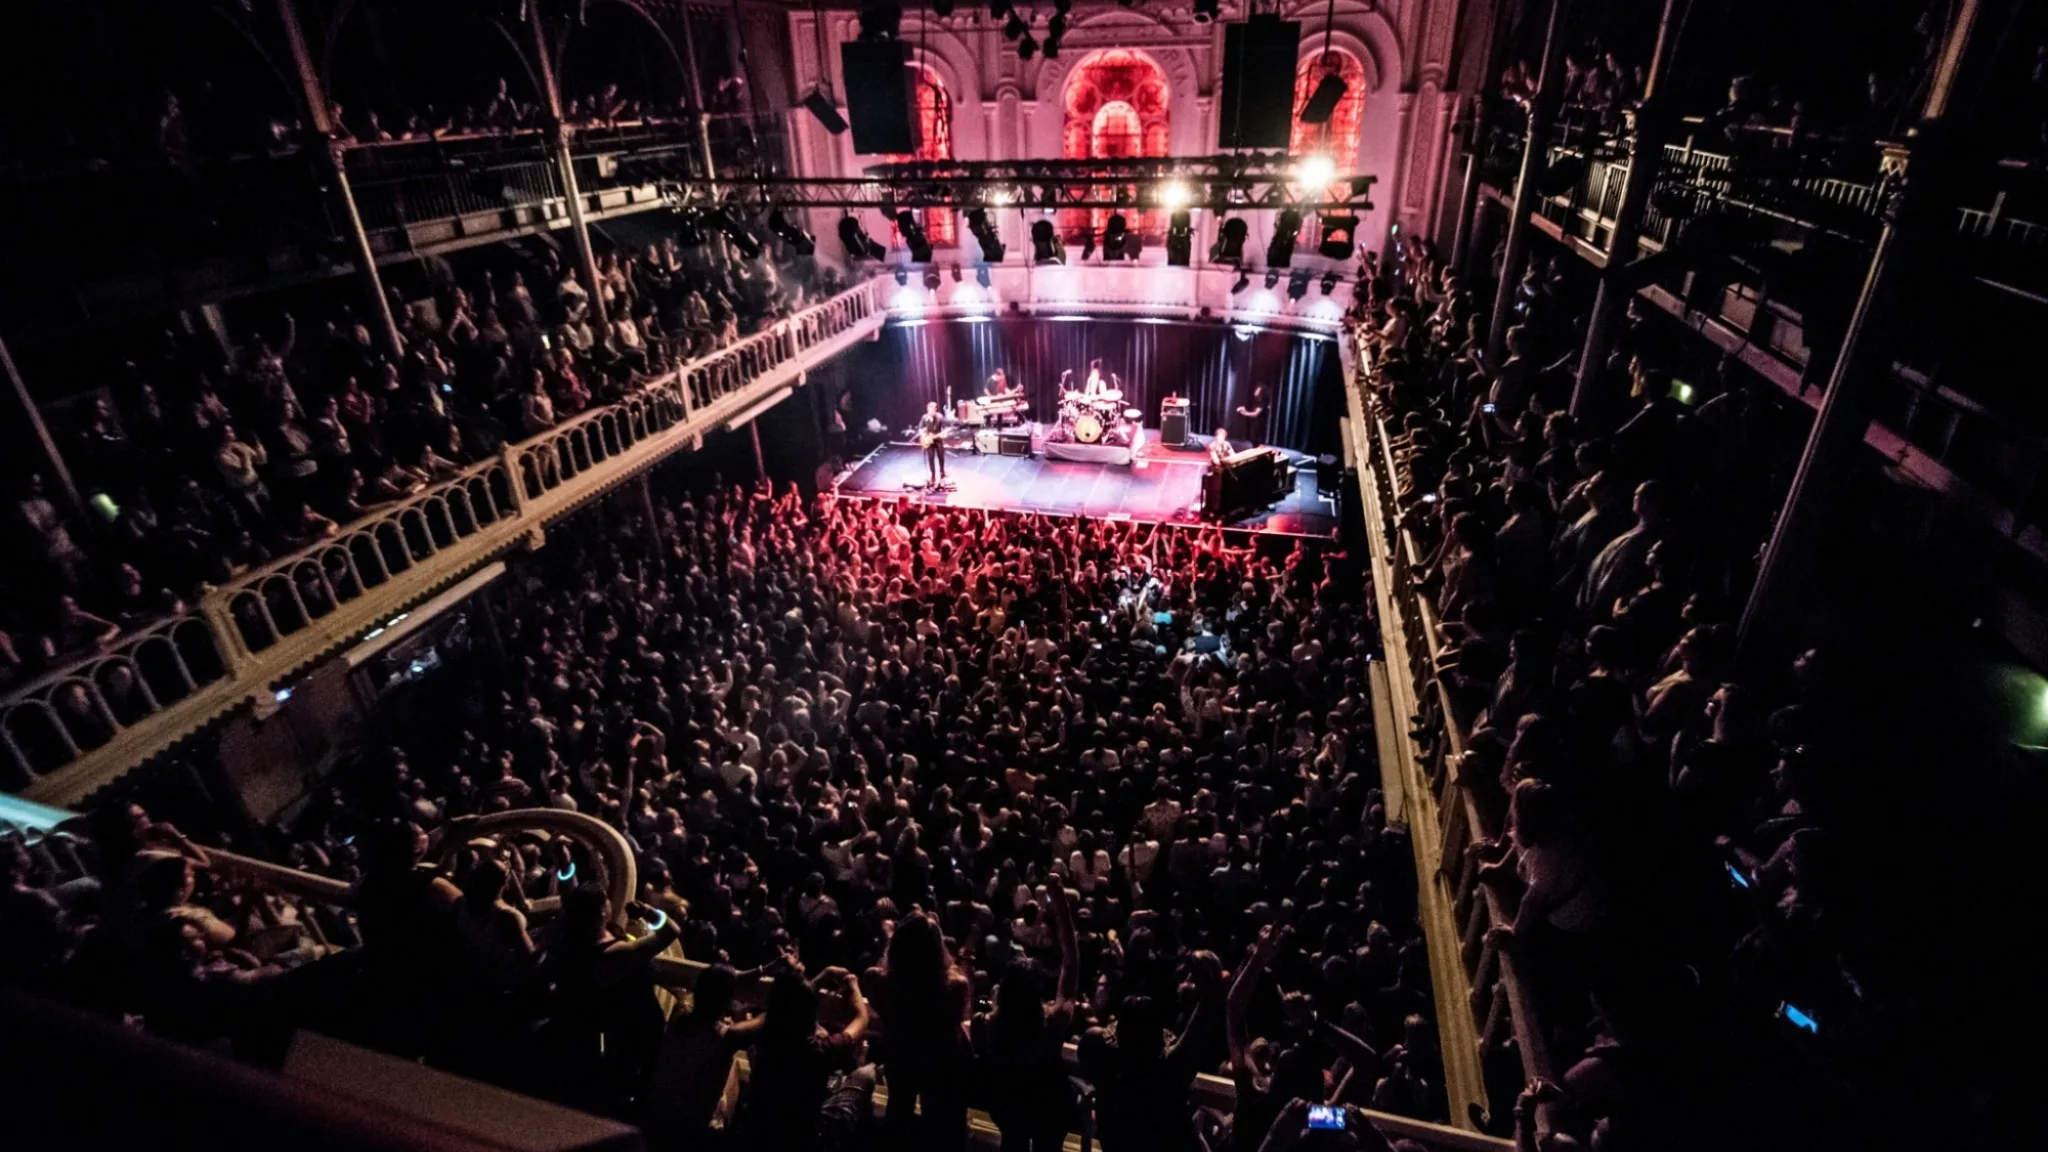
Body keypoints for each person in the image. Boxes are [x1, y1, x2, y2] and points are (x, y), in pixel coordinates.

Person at [972, 885, 1079, 1152]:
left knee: (1013, 1141)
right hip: (1049, 1110)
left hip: (1007, 1108)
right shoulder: (1054, 1022)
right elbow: (1072, 964)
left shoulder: (983, 1025)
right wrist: (1061, 906)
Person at [880, 911, 972, 1152]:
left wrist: (892, 935)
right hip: (941, 1058)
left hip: (901, 1051)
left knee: (898, 1111)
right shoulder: (955, 986)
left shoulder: (881, 982)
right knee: (943, 1121)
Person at [919, 401, 948, 487]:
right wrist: (924, 435)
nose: (931, 412)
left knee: (941, 457)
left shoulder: (940, 417)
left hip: (938, 439)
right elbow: (920, 429)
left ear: (935, 410)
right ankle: (933, 475)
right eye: (929, 410)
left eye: (933, 410)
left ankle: (942, 472)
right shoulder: (924, 418)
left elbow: (944, 429)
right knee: (931, 459)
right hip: (929, 441)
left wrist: (944, 434)